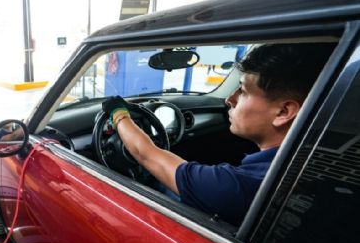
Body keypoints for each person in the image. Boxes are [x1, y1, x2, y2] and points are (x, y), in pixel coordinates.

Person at [102, 43, 334, 226]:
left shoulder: (243, 185)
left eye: (242, 91)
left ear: (283, 111)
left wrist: (119, 113)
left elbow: (147, 155)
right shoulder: (321, 162)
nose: (229, 99)